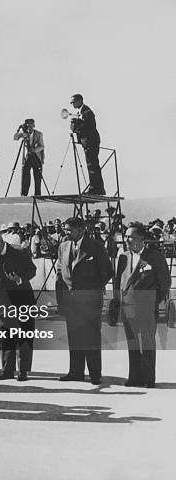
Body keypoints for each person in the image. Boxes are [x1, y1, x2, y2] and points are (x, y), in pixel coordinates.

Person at [56, 216, 112, 384]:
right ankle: (76, 371)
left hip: (90, 302)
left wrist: (91, 289)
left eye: (69, 229)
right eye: (65, 229)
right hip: (71, 302)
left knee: (91, 337)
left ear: (81, 230)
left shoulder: (95, 247)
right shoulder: (63, 246)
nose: (66, 232)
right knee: (74, 336)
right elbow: (60, 271)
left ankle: (95, 374)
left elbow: (107, 271)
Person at [114, 224, 170, 388]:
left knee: (147, 343)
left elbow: (165, 282)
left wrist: (153, 300)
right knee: (132, 344)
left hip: (146, 307)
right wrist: (118, 302)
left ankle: (148, 379)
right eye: (126, 236)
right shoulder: (123, 257)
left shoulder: (155, 256)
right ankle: (135, 377)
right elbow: (118, 282)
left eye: (130, 237)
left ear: (141, 239)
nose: (127, 239)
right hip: (127, 307)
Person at [0, 229, 37, 381]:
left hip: (22, 299)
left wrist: (20, 279)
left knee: (24, 335)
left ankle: (23, 371)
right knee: (5, 336)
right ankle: (7, 370)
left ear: (1, 242)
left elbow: (32, 270)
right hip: (3, 302)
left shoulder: (19, 251)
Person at [69, 94, 105, 195]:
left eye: (74, 102)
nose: (72, 104)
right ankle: (98, 188)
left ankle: (95, 188)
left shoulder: (86, 112)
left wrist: (78, 125)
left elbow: (90, 127)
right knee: (93, 165)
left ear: (80, 101)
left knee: (92, 165)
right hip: (89, 141)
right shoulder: (82, 112)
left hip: (90, 141)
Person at [13, 119, 45, 196]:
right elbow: (15, 138)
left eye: (31, 126)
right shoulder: (25, 133)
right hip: (29, 156)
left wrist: (34, 150)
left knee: (37, 176)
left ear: (33, 126)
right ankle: (24, 193)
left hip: (37, 156)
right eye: (28, 126)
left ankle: (37, 194)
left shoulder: (39, 134)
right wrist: (19, 130)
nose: (29, 128)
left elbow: (42, 146)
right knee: (25, 172)